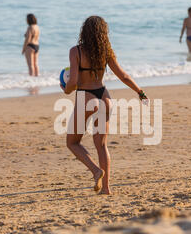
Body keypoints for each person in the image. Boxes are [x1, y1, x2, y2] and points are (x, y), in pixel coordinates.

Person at [62, 16, 148, 195]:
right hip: (104, 97)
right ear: (103, 33)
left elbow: (74, 83)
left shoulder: (75, 51)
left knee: (72, 142)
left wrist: (66, 88)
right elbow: (123, 75)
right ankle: (106, 188)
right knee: (101, 145)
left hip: (85, 98)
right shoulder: (106, 51)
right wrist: (140, 92)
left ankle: (95, 170)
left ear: (84, 31)